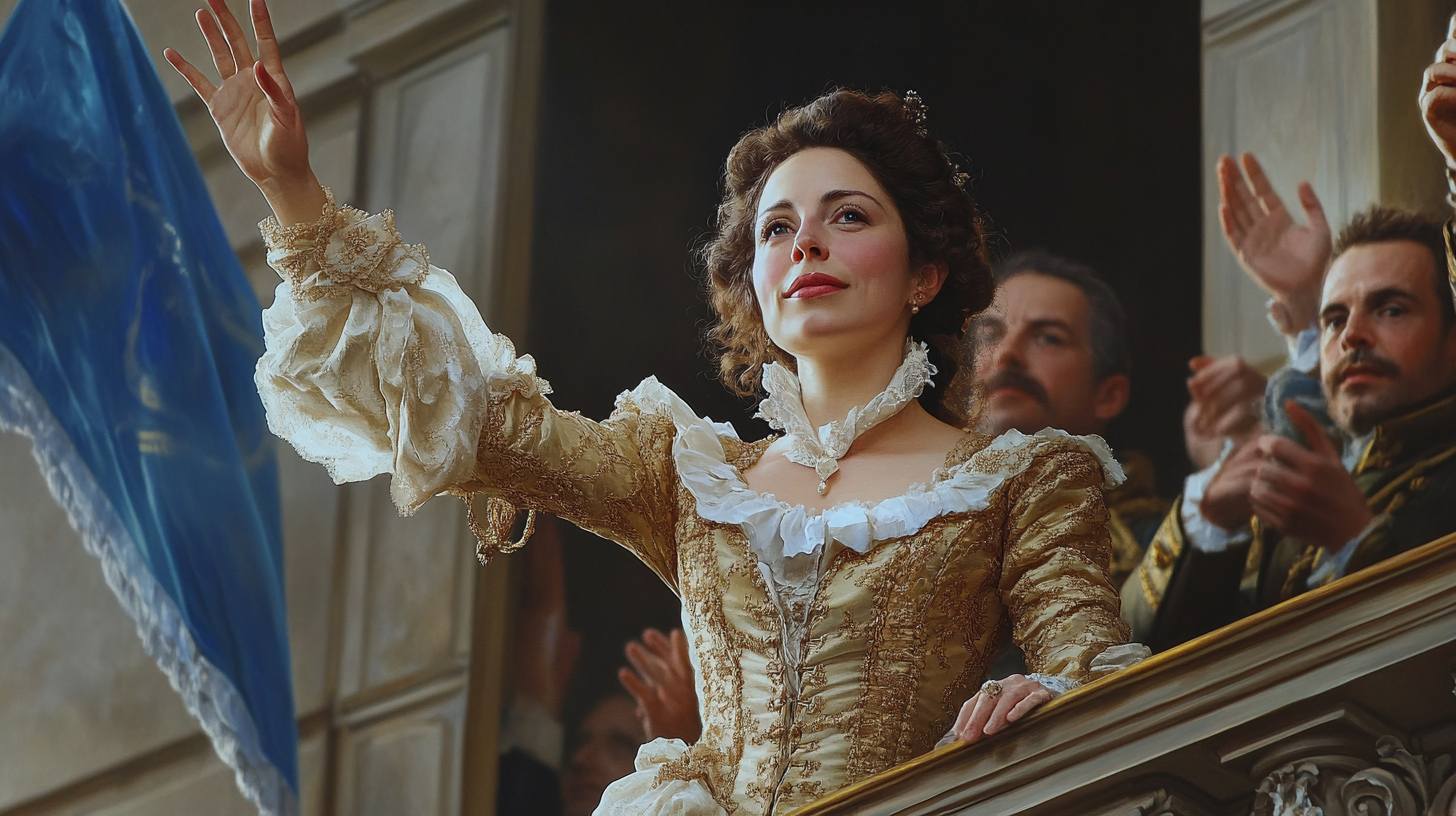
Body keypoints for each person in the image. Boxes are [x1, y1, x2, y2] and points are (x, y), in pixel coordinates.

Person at [165, 3, 1141, 812]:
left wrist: (1046, 691)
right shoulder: (690, 476)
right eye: (777, 227)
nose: (806, 245)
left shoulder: (1025, 478)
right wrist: (294, 194)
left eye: (849, 216)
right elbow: (476, 427)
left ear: (924, 271)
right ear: (754, 283)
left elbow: (1095, 670)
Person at [1125, 181, 1456, 650]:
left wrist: (1355, 541)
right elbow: (1124, 659)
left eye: (1392, 310)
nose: (1353, 336)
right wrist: (1212, 520)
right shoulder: (1297, 488)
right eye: (1335, 319)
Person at [971, 251, 1169, 587]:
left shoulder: (1164, 546)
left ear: (1108, 396)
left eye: (1048, 338)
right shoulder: (905, 533)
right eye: (990, 335)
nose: (1006, 354)